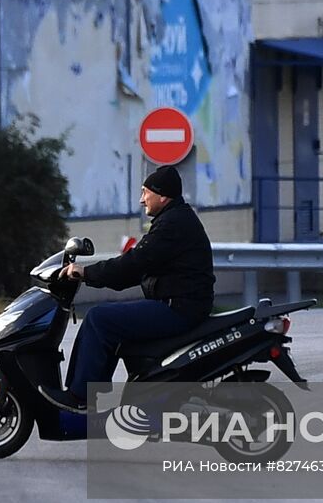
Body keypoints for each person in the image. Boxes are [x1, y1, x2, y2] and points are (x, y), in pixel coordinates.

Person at [38, 164, 215, 414]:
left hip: (178, 308)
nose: (142, 200)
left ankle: (80, 397)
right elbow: (136, 269)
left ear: (162, 195)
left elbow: (134, 263)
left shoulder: (172, 224)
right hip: (181, 304)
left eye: (145, 192)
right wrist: (100, 275)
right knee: (108, 320)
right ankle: (88, 395)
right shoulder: (176, 219)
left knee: (100, 319)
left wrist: (87, 272)